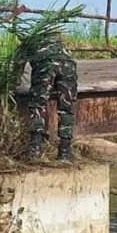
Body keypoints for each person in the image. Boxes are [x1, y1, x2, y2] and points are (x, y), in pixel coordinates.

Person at [26, 33, 78, 161]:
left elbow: (18, 66)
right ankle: (65, 152)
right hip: (69, 65)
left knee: (38, 104)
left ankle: (36, 151)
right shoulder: (60, 44)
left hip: (46, 63)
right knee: (66, 108)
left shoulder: (30, 42)